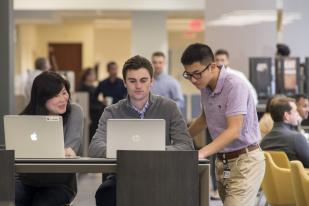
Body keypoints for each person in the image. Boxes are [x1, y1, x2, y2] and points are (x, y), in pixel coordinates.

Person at [89, 55, 194, 206]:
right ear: (124, 82)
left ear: (151, 81)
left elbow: (186, 145)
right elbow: (94, 147)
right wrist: (127, 152)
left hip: (160, 175)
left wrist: (155, 150)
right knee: (105, 194)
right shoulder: (111, 112)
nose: (138, 86)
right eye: (132, 81)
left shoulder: (169, 107)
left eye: (143, 80)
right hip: (123, 176)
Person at [181, 43, 265, 206]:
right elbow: (204, 118)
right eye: (188, 74)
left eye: (197, 74)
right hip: (223, 162)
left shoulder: (235, 85)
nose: (193, 80)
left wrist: (201, 152)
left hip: (245, 161)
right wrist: (180, 137)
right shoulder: (205, 86)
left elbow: (234, 130)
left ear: (212, 66)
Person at [16, 71, 84, 206]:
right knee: (11, 196)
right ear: (42, 98)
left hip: (60, 182)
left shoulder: (75, 112)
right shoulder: (25, 118)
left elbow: (70, 150)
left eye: (64, 93)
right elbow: (16, 152)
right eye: (55, 95)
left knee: (42, 203)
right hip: (27, 179)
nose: (63, 99)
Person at [260, 96, 309, 168]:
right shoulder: (297, 138)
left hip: (275, 179)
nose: (298, 114)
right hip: (298, 179)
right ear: (286, 116)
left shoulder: (264, 142)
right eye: (295, 111)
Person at [78, 68, 104, 139]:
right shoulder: (82, 88)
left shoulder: (93, 87)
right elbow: (85, 103)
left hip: (96, 114)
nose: (94, 76)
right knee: (90, 136)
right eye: (93, 74)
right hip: (90, 115)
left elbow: (95, 99)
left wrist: (102, 102)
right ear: (87, 76)